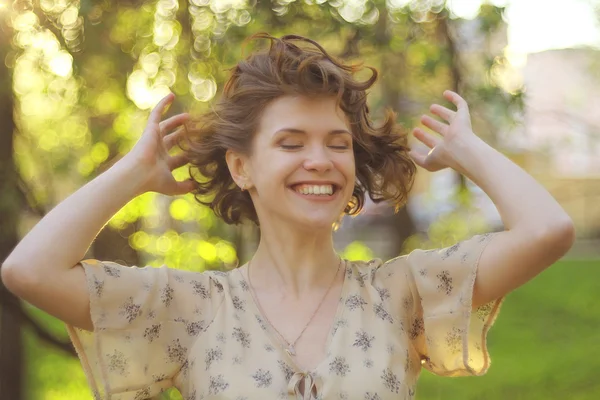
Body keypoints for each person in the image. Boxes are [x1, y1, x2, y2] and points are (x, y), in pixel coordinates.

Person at [1, 33, 575, 400]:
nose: (320, 161)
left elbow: (548, 231)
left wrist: (469, 150)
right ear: (242, 166)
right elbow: (29, 271)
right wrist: (130, 175)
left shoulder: (404, 292)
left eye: (337, 142)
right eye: (292, 143)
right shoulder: (189, 309)